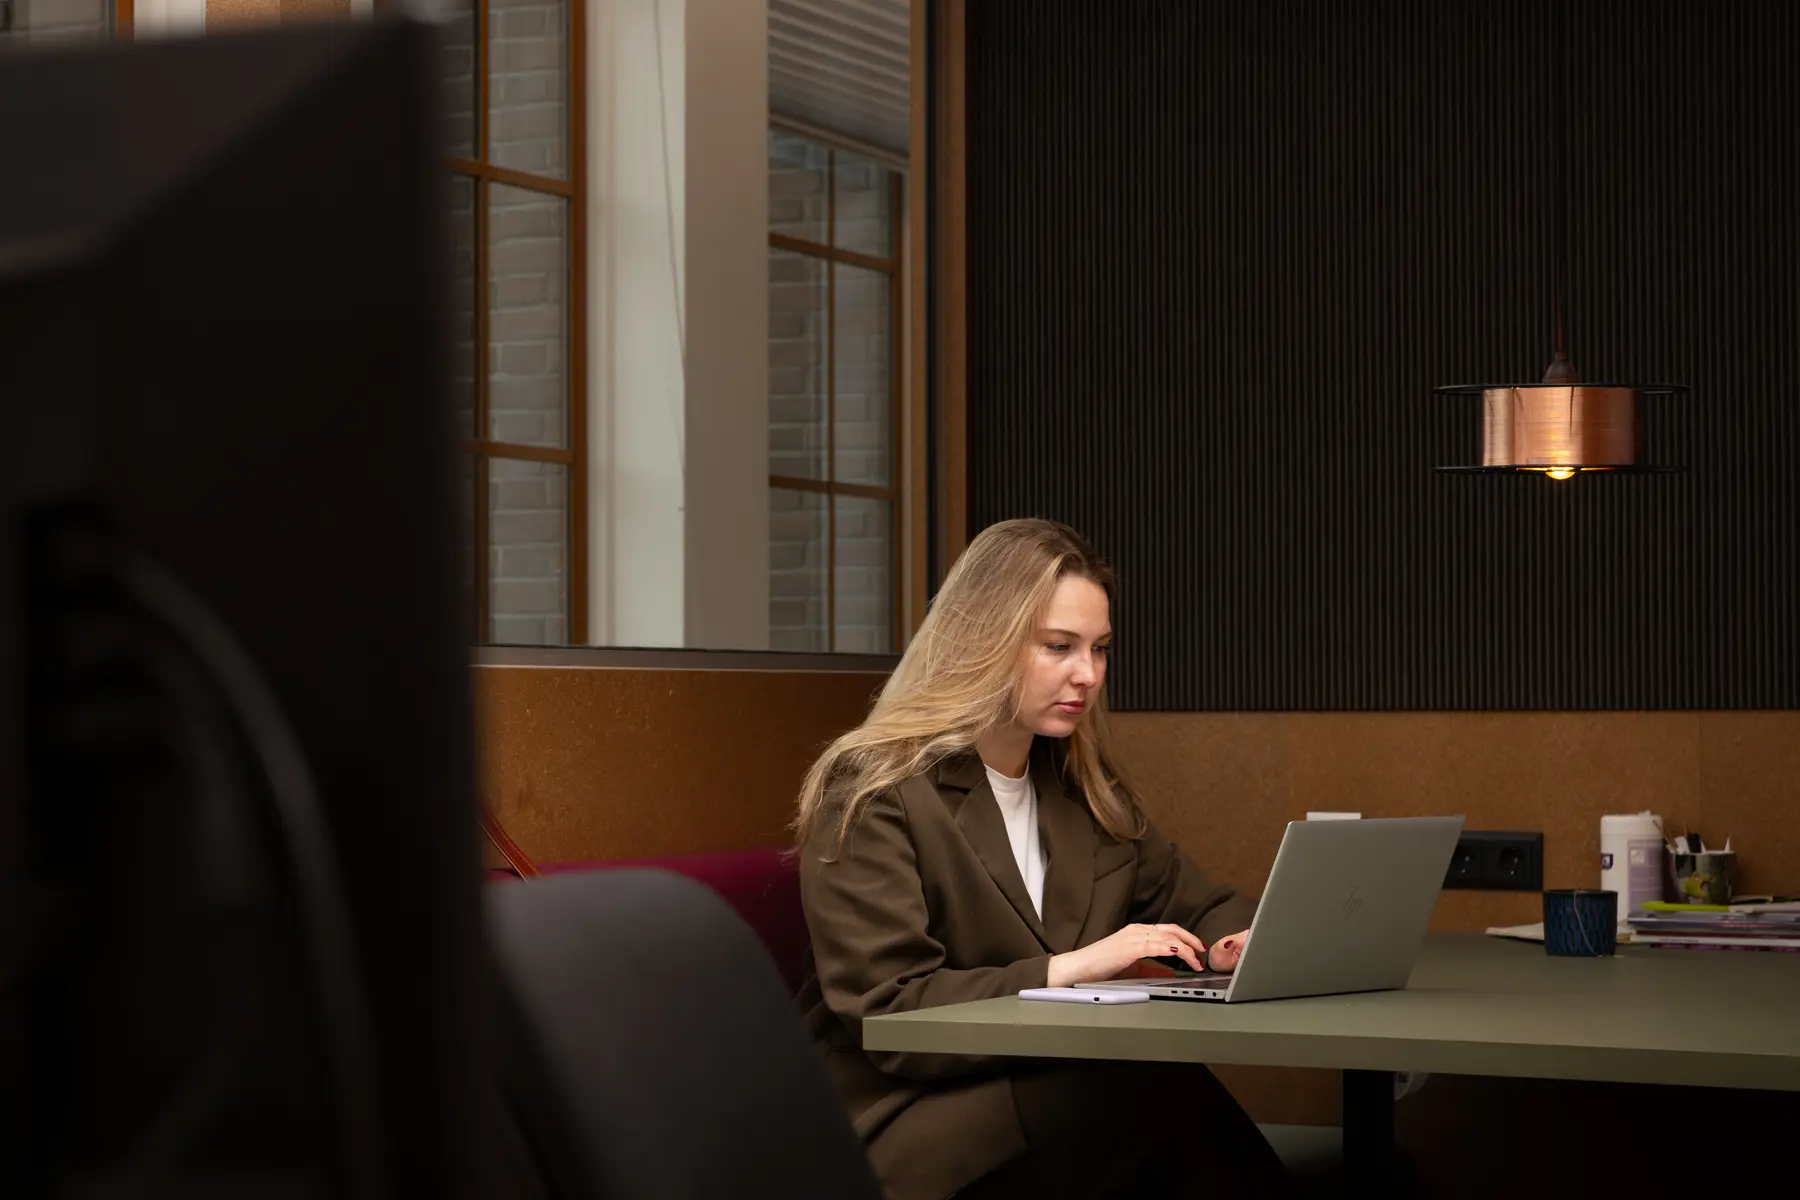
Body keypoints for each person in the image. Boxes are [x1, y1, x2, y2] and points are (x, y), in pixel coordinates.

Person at [793, 519, 1296, 1199]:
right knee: (1145, 1091)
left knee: (1151, 1087)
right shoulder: (873, 788)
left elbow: (1199, 901)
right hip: (906, 1116)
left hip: (1050, 1090)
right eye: (1059, 647)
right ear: (985, 639)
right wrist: (1071, 969)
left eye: (1099, 648)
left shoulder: (1084, 794)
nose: (1086, 675)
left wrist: (1241, 939)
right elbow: (893, 1012)